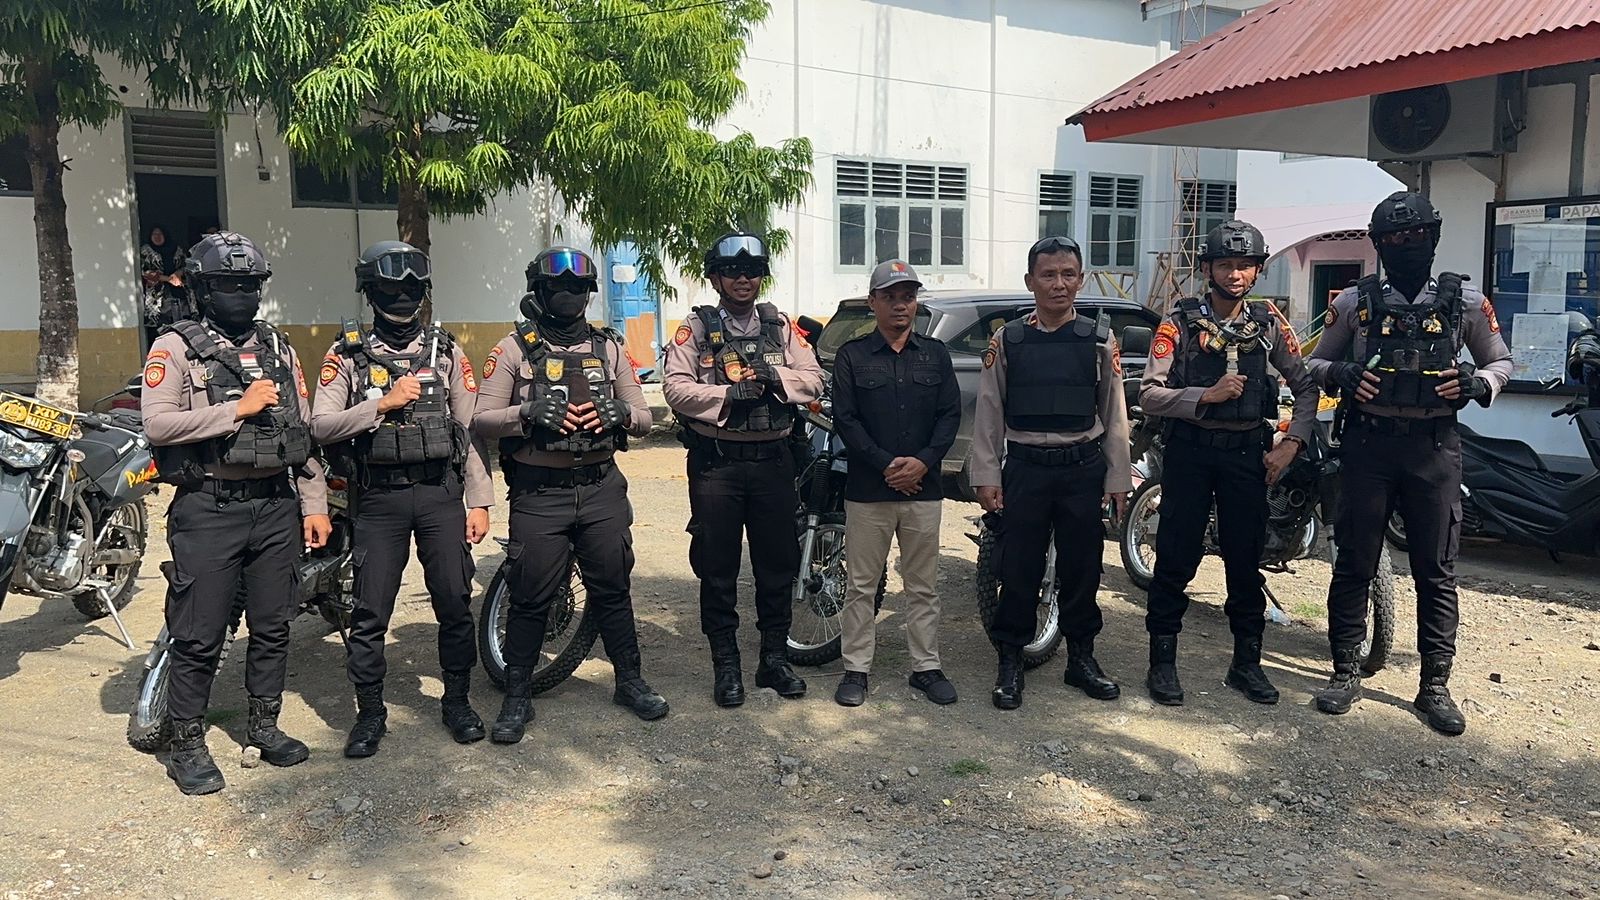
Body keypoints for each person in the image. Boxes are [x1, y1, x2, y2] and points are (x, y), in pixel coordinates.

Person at [1307, 191, 1511, 735]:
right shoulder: (1354, 303)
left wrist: (1478, 384)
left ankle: (1434, 686)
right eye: (1394, 237)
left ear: (1433, 237)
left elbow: (1501, 362)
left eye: (1416, 234)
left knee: (1436, 571)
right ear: (1378, 244)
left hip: (1434, 449)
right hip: (1368, 447)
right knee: (1354, 562)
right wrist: (1342, 374)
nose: (1406, 243)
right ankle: (1345, 671)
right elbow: (1317, 362)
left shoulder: (1466, 303)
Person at [140, 231, 331, 795]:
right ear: (203, 288)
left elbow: (300, 432)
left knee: (273, 626)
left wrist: (314, 503)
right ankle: (187, 743)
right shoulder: (174, 346)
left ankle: (264, 726)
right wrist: (235, 410)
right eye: (228, 284)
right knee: (199, 633)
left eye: (250, 285)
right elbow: (158, 424)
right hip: (209, 505)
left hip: (275, 505)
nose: (241, 295)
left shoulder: (278, 347)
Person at [471, 246, 662, 743]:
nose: (569, 294)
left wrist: (622, 413)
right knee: (531, 595)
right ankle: (517, 695)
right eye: (557, 286)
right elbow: (481, 418)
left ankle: (630, 682)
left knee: (612, 589)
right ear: (537, 290)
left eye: (578, 287)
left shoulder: (608, 347)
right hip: (540, 493)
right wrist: (527, 413)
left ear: (589, 294)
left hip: (600, 488)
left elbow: (645, 416)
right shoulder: (512, 349)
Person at [310, 241, 494, 757]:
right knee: (370, 612)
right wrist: (382, 405)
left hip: (440, 495)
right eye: (391, 289)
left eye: (413, 289)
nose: (403, 298)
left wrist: (479, 500)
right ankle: (370, 714)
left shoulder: (446, 351)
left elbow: (469, 430)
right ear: (370, 292)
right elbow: (320, 426)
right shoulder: (346, 355)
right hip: (379, 499)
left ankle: (457, 702)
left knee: (454, 603)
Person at [1137, 220, 1320, 706]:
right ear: (1207, 269)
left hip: (1246, 456)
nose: (1234, 274)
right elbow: (1149, 394)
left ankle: (1247, 664)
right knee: (1176, 559)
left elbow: (1305, 387)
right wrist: (1205, 395)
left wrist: (1292, 443)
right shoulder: (1178, 322)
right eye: (1225, 265)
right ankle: (1162, 663)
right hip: (1190, 454)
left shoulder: (1268, 322)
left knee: (1245, 561)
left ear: (1257, 270)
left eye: (1244, 265)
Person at [663, 232, 824, 707]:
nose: (743, 279)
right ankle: (727, 666)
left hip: (774, 462)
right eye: (733, 271)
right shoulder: (696, 328)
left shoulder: (780, 326)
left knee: (778, 565)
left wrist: (778, 377)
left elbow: (814, 378)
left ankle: (773, 660)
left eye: (752, 271)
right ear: (716, 277)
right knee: (718, 568)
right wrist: (726, 395)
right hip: (718, 465)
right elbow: (675, 388)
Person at [970, 236, 1131, 710]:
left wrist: (1118, 478)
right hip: (1026, 470)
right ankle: (1010, 661)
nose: (1058, 284)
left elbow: (1115, 413)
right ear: (1030, 281)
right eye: (1048, 275)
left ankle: (1081, 658)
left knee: (1082, 569)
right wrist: (986, 474)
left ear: (1080, 280)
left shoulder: (1099, 339)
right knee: (1018, 568)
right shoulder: (1008, 340)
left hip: (1082, 469)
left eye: (1067, 275)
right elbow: (988, 411)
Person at [829, 260, 961, 707]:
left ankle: (926, 667)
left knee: (923, 585)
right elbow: (846, 419)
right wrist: (887, 465)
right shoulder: (852, 356)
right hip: (869, 490)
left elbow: (949, 416)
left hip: (924, 489)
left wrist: (921, 463)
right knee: (861, 585)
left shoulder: (935, 354)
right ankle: (856, 669)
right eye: (889, 296)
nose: (900, 304)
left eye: (908, 296)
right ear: (873, 302)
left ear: (916, 302)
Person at [140, 224, 190, 346]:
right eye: (154, 234)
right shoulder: (146, 250)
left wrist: (178, 273)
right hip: (157, 297)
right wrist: (168, 279)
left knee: (181, 324)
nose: (157, 237)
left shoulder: (176, 249)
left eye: (160, 234)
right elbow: (144, 272)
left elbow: (186, 265)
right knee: (160, 328)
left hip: (179, 292)